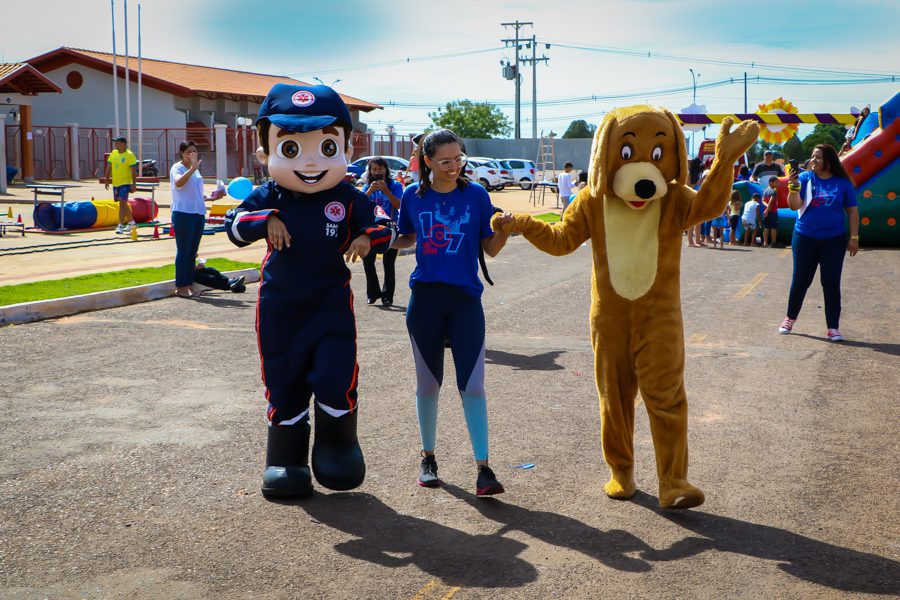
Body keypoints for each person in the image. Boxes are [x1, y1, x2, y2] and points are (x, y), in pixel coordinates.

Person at [224, 84, 394, 499]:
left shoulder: (347, 197)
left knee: (336, 373)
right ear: (265, 154)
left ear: (345, 151)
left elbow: (384, 224)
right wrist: (265, 220)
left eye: (327, 147)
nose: (313, 161)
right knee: (284, 378)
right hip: (280, 306)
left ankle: (338, 445)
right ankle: (286, 459)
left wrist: (366, 238)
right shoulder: (270, 197)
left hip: (329, 305)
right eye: (293, 149)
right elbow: (233, 225)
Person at [392, 128, 512, 497]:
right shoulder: (412, 196)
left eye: (459, 159)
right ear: (426, 162)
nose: (453, 166)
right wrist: (375, 236)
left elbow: (489, 248)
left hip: (464, 301)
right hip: (425, 299)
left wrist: (504, 229)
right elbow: (406, 236)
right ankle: (427, 458)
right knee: (428, 384)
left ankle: (484, 468)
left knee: (473, 386)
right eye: (445, 161)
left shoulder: (476, 194)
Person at [779, 144, 859, 341]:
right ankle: (789, 318)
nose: (813, 160)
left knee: (831, 282)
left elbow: (852, 211)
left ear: (829, 161)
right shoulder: (805, 178)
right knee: (801, 280)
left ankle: (833, 327)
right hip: (805, 237)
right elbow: (793, 205)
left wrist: (854, 237)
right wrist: (793, 188)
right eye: (812, 156)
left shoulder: (842, 183)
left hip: (834, 239)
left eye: (819, 157)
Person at [361, 157, 403, 306]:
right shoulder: (367, 186)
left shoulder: (395, 185)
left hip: (391, 227)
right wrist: (370, 190)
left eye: (380, 169)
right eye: (374, 169)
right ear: (370, 171)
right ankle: (372, 294)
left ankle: (387, 296)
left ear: (386, 170)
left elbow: (399, 205)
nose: (377, 172)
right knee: (368, 261)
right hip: (372, 228)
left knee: (388, 263)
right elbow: (360, 205)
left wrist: (386, 190)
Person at [104, 136, 139, 234]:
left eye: (118, 143)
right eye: (115, 143)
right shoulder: (114, 153)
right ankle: (132, 223)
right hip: (116, 183)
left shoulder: (129, 155)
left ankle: (120, 225)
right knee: (121, 203)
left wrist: (133, 184)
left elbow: (133, 170)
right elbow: (109, 167)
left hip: (125, 183)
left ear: (124, 144)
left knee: (123, 203)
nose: (116, 144)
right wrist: (107, 180)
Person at [761, 176, 780, 247]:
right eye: (776, 182)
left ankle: (765, 243)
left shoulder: (765, 190)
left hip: (766, 212)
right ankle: (773, 243)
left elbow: (763, 200)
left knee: (766, 227)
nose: (778, 184)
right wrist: (767, 209)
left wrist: (766, 209)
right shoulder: (773, 191)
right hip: (772, 212)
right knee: (773, 227)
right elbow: (771, 202)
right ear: (771, 183)